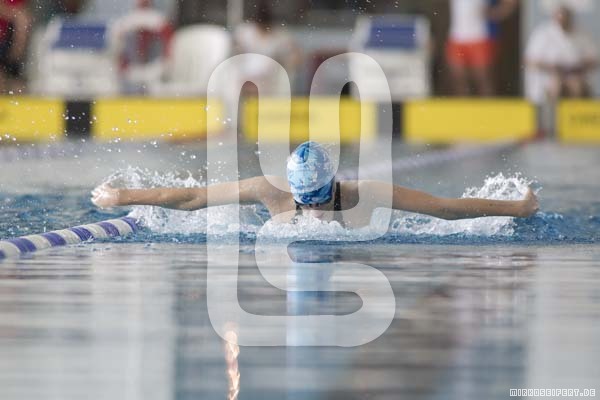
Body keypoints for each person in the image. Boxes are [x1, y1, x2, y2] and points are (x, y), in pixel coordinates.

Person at [91, 142, 539, 229]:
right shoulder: (269, 190)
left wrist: (516, 209)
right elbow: (193, 197)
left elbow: (442, 208)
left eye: (319, 200)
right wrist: (121, 197)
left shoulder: (364, 192)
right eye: (307, 201)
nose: (314, 211)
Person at [525, 5, 598, 104]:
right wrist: (552, 67)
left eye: (566, 19)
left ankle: (574, 113)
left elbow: (594, 59)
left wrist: (579, 66)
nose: (563, 22)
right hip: (548, 78)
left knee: (576, 85)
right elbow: (530, 60)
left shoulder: (581, 34)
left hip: (575, 76)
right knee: (556, 85)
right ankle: (553, 113)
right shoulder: (542, 34)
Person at [446, 0, 518, 96]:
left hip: (480, 37)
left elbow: (511, 2)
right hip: (457, 37)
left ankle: (489, 105)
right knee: (458, 79)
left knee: (483, 78)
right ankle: (464, 106)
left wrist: (497, 13)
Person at [233, 1, 301, 96]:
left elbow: (295, 56)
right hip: (245, 73)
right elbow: (235, 53)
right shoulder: (245, 32)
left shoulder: (279, 35)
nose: (263, 25)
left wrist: (286, 64)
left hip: (269, 77)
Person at [0, 0, 30, 94]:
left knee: (17, 86)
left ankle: (14, 66)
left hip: (10, 42)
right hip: (5, 38)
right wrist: (15, 15)